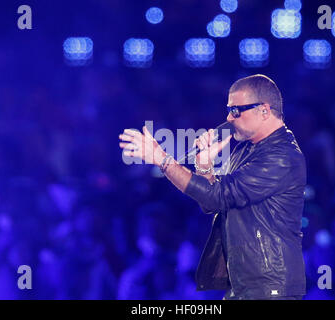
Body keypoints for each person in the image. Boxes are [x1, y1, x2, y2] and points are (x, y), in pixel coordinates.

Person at [119, 74, 307, 300]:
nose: (229, 118)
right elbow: (212, 204)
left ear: (264, 111)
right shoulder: (247, 149)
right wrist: (204, 165)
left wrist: (162, 159)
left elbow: (216, 197)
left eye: (236, 111)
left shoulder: (281, 157)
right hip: (246, 284)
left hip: (270, 286)